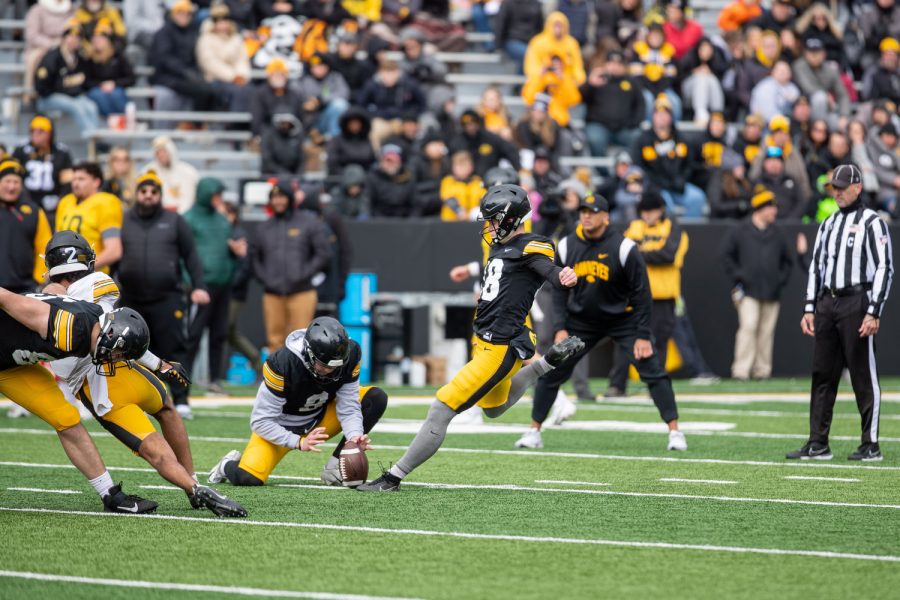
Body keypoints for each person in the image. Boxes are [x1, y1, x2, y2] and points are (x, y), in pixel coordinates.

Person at [357, 184, 585, 491]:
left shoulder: (533, 246)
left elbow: (548, 270)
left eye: (492, 219)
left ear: (508, 219)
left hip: (500, 346)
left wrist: (562, 276)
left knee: (441, 406)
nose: (488, 226)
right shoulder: (500, 247)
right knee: (493, 409)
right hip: (485, 341)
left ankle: (393, 477)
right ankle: (546, 365)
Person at [42, 231, 247, 517]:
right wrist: (157, 364)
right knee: (166, 408)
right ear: (85, 260)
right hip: (119, 368)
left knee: (152, 445)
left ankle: (193, 486)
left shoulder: (40, 303)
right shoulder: (100, 283)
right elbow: (118, 335)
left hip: (96, 384)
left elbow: (106, 335)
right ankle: (194, 483)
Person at [523, 193, 687, 450]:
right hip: (582, 321)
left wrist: (643, 334)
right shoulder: (566, 246)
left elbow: (642, 292)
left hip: (623, 319)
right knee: (552, 370)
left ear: (606, 216)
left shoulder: (624, 247)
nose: (586, 215)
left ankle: (675, 432)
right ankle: (533, 431)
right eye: (583, 211)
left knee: (653, 371)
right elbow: (559, 291)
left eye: (593, 211)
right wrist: (560, 327)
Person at [0, 285, 156, 513]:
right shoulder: (63, 324)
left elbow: (55, 288)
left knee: (66, 418)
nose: (115, 359)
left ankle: (110, 495)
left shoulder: (94, 320)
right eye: (119, 353)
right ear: (111, 335)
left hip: (12, 366)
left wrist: (159, 365)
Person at [789, 164, 893, 461]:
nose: (836, 192)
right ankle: (818, 441)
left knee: (862, 372)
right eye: (833, 187)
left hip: (856, 301)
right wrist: (809, 307)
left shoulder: (873, 222)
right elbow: (815, 267)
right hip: (827, 303)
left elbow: (885, 268)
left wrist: (874, 311)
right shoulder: (828, 223)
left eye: (841, 187)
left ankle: (870, 443)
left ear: (857, 187)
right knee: (822, 373)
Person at [208, 317, 387, 487]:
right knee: (248, 478)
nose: (331, 371)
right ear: (308, 353)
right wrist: (297, 442)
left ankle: (335, 467)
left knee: (375, 398)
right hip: (283, 426)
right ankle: (227, 465)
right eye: (324, 366)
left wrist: (354, 438)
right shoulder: (282, 364)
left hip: (321, 418)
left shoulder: (350, 354)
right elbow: (260, 421)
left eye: (336, 367)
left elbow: (348, 407)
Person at [118, 171, 209, 415]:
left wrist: (199, 286)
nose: (148, 196)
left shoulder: (174, 220)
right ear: (137, 194)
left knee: (174, 348)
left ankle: (181, 399)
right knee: (132, 350)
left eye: (153, 192)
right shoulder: (124, 220)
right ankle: (142, 399)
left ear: (160, 195)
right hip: (131, 298)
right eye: (144, 191)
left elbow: (191, 255)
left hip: (167, 297)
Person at [607, 191, 688, 399]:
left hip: (663, 295)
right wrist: (647, 254)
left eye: (650, 211)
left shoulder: (673, 227)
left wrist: (640, 253)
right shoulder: (635, 226)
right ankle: (617, 385)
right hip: (635, 294)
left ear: (661, 210)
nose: (646, 215)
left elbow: (668, 255)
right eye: (643, 211)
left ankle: (656, 387)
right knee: (625, 341)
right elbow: (621, 253)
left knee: (659, 342)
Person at [722, 188, 794, 380]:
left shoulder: (778, 232)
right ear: (760, 209)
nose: (774, 212)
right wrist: (740, 275)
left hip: (772, 291)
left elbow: (788, 261)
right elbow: (727, 256)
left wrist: (780, 280)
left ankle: (762, 370)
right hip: (748, 290)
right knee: (748, 326)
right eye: (771, 208)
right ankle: (741, 370)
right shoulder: (740, 230)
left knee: (766, 332)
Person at [184, 178, 245, 397]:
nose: (219, 199)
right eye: (215, 194)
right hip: (201, 286)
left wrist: (236, 254)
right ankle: (184, 377)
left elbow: (229, 249)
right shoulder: (189, 219)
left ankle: (215, 379)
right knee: (193, 334)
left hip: (223, 285)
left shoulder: (222, 220)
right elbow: (183, 254)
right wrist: (189, 283)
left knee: (219, 334)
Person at [252, 182, 331, 352]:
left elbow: (322, 253)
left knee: (301, 340)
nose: (278, 201)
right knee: (274, 340)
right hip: (273, 293)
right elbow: (255, 257)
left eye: (282, 197)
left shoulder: (308, 222)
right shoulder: (264, 227)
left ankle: (300, 378)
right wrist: (265, 278)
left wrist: (304, 274)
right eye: (274, 198)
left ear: (290, 199)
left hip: (302, 291)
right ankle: (276, 378)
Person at [632, 96, 706, 217]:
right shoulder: (643, 140)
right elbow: (639, 166)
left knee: (698, 198)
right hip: (655, 187)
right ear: (653, 116)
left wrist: (682, 179)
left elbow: (690, 164)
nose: (662, 117)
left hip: (678, 185)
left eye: (666, 114)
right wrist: (658, 182)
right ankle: (669, 234)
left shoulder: (682, 139)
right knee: (664, 203)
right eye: (658, 113)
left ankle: (688, 233)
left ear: (671, 117)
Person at [34, 20, 101, 132]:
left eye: (77, 37)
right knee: (75, 106)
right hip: (48, 98)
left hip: (72, 96)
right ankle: (91, 136)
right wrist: (65, 87)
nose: (73, 40)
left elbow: (86, 81)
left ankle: (96, 138)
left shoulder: (79, 58)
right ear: (64, 38)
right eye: (70, 36)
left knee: (91, 106)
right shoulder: (52, 57)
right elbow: (42, 87)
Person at [55, 162, 122, 273]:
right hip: (64, 273)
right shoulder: (65, 202)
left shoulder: (106, 202)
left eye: (81, 179)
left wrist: (84, 268)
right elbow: (56, 243)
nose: (76, 183)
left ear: (96, 182)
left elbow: (114, 250)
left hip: (93, 274)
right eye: (74, 179)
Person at [0, 159, 52, 294]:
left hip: (25, 289)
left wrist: (38, 281)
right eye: (7, 181)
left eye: (16, 182)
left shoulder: (34, 211)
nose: (11, 187)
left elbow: (45, 248)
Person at [582, 50, 645, 158]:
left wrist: (634, 123)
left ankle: (629, 171)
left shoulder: (631, 82)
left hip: (624, 128)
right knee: (595, 139)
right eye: (611, 63)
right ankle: (604, 173)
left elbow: (640, 104)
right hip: (599, 126)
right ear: (605, 64)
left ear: (623, 66)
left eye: (618, 64)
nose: (614, 67)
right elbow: (580, 98)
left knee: (638, 137)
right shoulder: (597, 79)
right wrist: (589, 84)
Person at [13, 115, 74, 222]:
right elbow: (13, 176)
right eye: (33, 130)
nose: (35, 134)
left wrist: (59, 200)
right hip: (25, 203)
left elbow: (67, 183)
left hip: (51, 207)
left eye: (41, 131)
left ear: (50, 133)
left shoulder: (61, 153)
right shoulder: (21, 151)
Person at [196, 3, 253, 113]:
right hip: (215, 79)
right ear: (213, 22)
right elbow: (210, 63)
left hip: (237, 78)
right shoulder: (206, 38)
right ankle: (234, 124)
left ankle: (245, 124)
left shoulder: (236, 38)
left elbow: (241, 59)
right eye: (218, 20)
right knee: (235, 92)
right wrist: (232, 77)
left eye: (225, 20)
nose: (222, 23)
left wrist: (242, 75)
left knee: (250, 90)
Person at [24, 0, 76, 101]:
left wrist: (62, 43)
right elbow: (32, 35)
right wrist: (51, 44)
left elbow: (72, 30)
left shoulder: (70, 11)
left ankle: (70, 89)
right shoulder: (37, 10)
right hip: (40, 47)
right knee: (34, 58)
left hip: (64, 46)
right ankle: (30, 93)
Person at [84, 19, 135, 117]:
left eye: (101, 38)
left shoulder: (118, 56)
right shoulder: (88, 59)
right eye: (95, 39)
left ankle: (123, 119)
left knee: (116, 94)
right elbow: (86, 81)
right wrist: (101, 85)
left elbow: (131, 78)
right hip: (97, 89)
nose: (97, 41)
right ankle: (113, 119)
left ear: (108, 40)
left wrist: (114, 84)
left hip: (116, 88)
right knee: (98, 95)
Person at [296, 54, 351, 140]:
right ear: (310, 68)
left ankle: (335, 139)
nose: (319, 69)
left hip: (328, 117)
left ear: (328, 67)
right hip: (309, 121)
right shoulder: (303, 81)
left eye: (322, 66)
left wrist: (320, 100)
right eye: (315, 67)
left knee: (340, 105)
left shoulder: (335, 77)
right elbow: (295, 99)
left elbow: (344, 93)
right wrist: (306, 104)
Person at [523, 11, 586, 86]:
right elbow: (531, 64)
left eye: (560, 26)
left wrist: (578, 79)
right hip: (543, 79)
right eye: (555, 25)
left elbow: (577, 66)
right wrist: (540, 71)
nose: (558, 29)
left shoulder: (571, 43)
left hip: (564, 80)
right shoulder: (538, 42)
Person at [143, 136, 199, 213]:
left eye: (164, 151)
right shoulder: (148, 171)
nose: (161, 155)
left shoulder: (188, 172)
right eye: (158, 152)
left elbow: (190, 199)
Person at [367, 144, 419, 217]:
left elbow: (415, 204)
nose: (392, 163)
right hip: (379, 221)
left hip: (404, 221)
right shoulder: (373, 177)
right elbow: (369, 204)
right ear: (381, 162)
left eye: (395, 160)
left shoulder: (408, 177)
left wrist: (410, 223)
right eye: (388, 160)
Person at [494, 0, 544, 72]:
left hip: (532, 42)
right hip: (512, 40)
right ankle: (522, 82)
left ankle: (520, 82)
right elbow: (500, 24)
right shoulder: (508, 3)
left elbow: (540, 26)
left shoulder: (536, 4)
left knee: (532, 55)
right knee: (529, 54)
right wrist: (498, 47)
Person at [440, 151, 484, 221]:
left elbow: (483, 197)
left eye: (466, 165)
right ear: (453, 167)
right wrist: (459, 211)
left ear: (471, 166)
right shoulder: (448, 181)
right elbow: (448, 198)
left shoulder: (477, 181)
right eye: (459, 165)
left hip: (472, 220)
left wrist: (476, 212)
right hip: (451, 221)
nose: (463, 168)